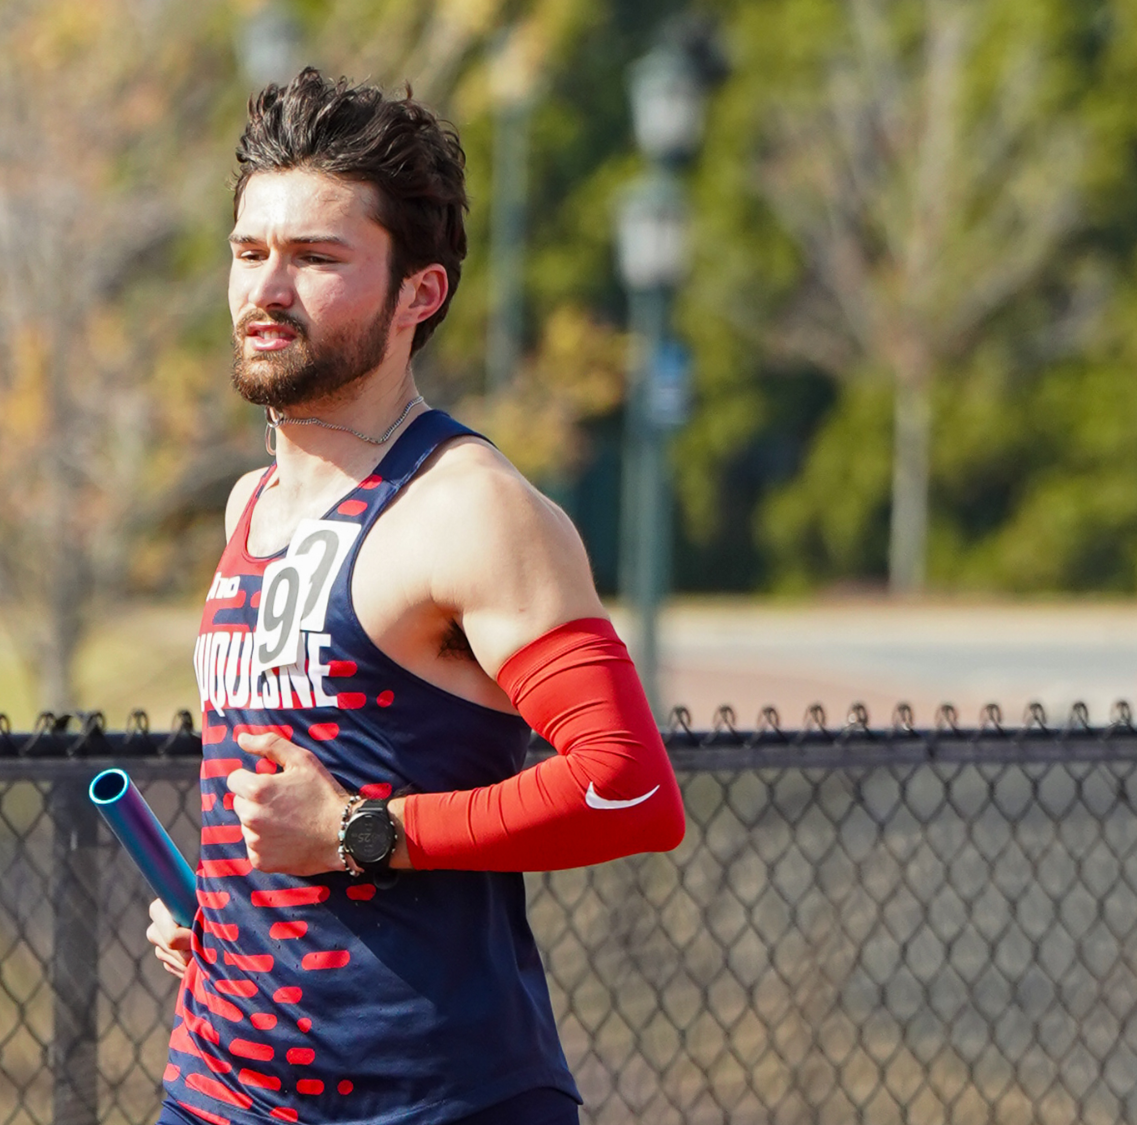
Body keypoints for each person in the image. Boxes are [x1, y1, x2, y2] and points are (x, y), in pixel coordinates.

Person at [147, 69, 685, 1125]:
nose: (265, 291)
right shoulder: (246, 507)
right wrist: (220, 905)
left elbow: (629, 791)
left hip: (436, 1100)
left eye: (315, 259)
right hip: (219, 1087)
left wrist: (356, 833)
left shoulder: (470, 511)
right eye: (249, 253)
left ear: (418, 295)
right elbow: (279, 774)